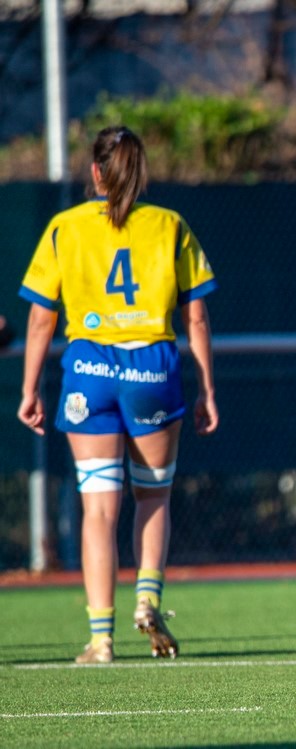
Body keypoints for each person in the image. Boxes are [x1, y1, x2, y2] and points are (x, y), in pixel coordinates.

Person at [17, 125, 219, 664]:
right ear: (140, 171)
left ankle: (101, 639)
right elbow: (196, 317)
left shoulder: (64, 226)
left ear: (95, 172)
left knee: (99, 509)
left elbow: (40, 320)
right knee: (152, 496)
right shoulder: (169, 225)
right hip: (152, 369)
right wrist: (207, 389)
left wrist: (30, 388)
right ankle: (147, 599)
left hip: (89, 370)